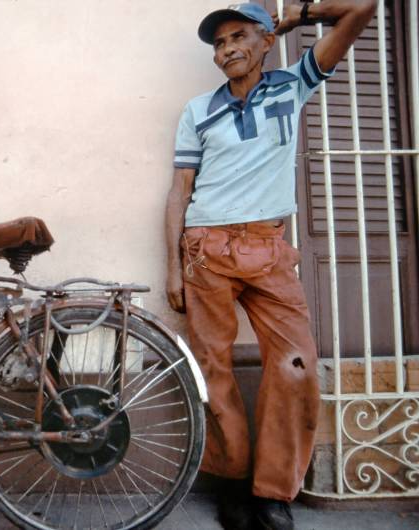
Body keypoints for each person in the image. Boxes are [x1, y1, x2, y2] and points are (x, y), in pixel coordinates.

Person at [164, 2, 376, 529]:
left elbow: (361, 9)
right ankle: (233, 483)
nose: (228, 49)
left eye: (239, 37)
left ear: (264, 41)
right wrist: (173, 268)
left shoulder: (292, 84)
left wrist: (300, 15)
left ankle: (273, 492)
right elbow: (179, 191)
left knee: (295, 365)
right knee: (213, 367)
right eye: (219, 43)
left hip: (269, 250)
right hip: (205, 250)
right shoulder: (198, 110)